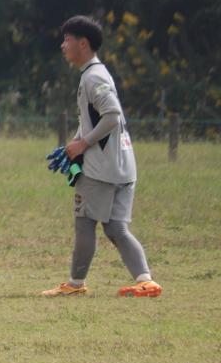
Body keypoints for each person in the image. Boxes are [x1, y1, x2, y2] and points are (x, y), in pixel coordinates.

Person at [41, 15, 161, 298]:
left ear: (83, 43)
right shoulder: (98, 73)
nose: (62, 45)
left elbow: (112, 115)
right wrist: (76, 140)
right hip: (124, 166)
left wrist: (83, 144)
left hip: (100, 169)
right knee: (117, 228)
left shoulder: (93, 77)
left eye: (67, 40)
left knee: (84, 222)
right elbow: (95, 119)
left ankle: (75, 284)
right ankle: (146, 282)